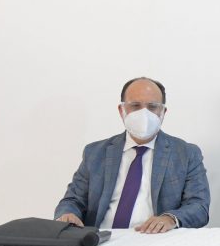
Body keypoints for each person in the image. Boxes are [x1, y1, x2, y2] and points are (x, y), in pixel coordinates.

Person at [55, 77, 210, 233]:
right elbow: (73, 200)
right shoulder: (95, 153)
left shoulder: (186, 154)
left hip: (153, 238)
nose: (144, 113)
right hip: (101, 238)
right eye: (135, 106)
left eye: (152, 107)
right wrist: (68, 214)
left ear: (163, 112)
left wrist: (170, 219)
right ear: (121, 110)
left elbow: (199, 207)